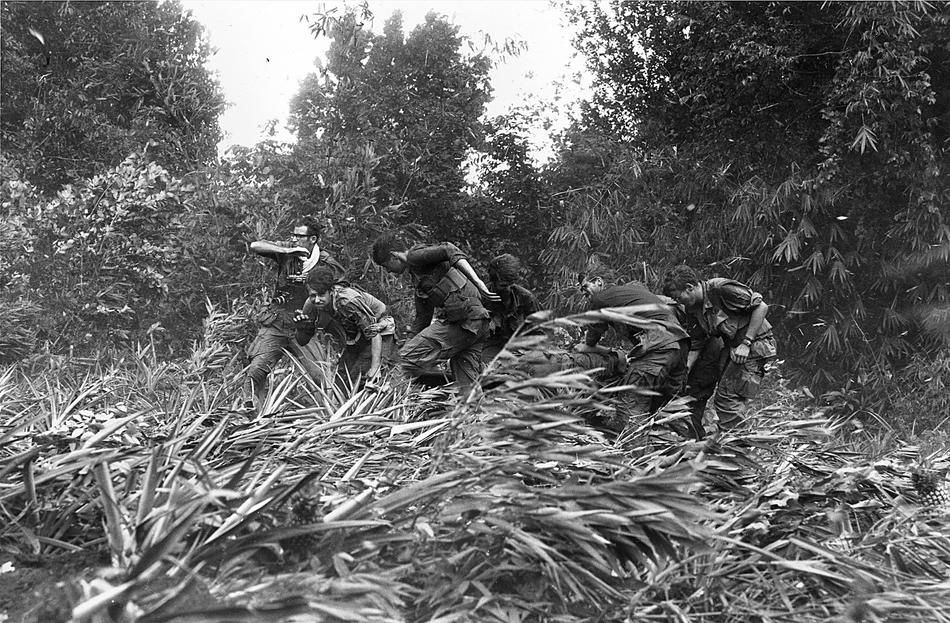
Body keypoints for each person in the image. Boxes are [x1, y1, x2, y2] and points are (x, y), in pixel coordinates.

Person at [371, 232, 499, 392]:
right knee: (467, 388)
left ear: (393, 256)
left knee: (406, 360)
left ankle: (383, 399)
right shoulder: (418, 279)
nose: (388, 272)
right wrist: (408, 343)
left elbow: (449, 249)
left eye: (386, 266)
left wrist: (479, 282)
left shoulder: (414, 256)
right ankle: (476, 415)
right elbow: (422, 319)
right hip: (477, 326)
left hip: (467, 322)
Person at [661, 265, 777, 432]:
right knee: (716, 392)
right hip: (733, 348)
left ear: (689, 288)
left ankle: (736, 446)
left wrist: (746, 343)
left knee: (727, 397)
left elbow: (761, 306)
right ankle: (725, 439)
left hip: (756, 344)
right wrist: (684, 370)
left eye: (679, 298)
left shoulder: (720, 289)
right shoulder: (693, 309)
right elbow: (697, 343)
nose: (679, 302)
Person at [243, 219, 346, 408]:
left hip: (305, 327)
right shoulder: (287, 251)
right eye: (294, 235)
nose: (295, 239)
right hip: (277, 321)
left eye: (300, 236)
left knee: (320, 376)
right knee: (256, 370)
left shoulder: (325, 262)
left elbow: (339, 288)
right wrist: (287, 251)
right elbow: (255, 245)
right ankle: (249, 411)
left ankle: (327, 416)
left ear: (313, 239)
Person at [575, 275, 690, 432]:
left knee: (631, 409)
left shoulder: (600, 299)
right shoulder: (633, 292)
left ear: (598, 282)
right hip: (680, 345)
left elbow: (594, 332)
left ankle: (634, 454)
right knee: (665, 411)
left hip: (659, 345)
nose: (584, 293)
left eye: (584, 287)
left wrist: (588, 346)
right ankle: (688, 449)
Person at [294, 265, 398, 392]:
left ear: (331, 290)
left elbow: (374, 333)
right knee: (340, 384)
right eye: (312, 295)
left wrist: (375, 367)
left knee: (366, 380)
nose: (316, 300)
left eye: (321, 294)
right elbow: (302, 341)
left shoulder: (347, 301)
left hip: (380, 331)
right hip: (356, 337)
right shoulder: (310, 305)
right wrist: (302, 328)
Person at [483, 253, 541, 362]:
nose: (508, 289)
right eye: (503, 285)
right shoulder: (483, 298)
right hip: (493, 348)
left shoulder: (526, 298)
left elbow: (540, 331)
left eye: (511, 284)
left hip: (522, 348)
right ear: (493, 282)